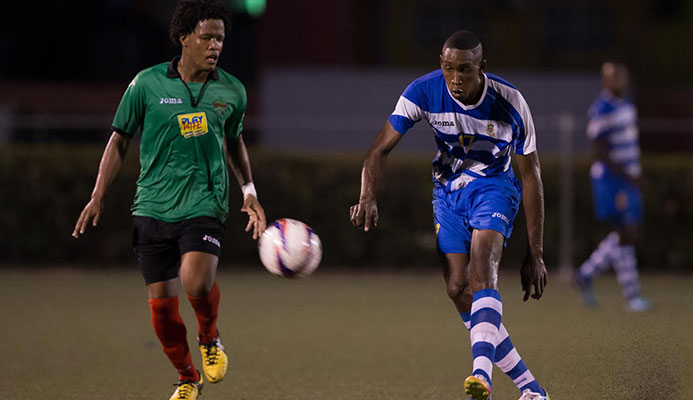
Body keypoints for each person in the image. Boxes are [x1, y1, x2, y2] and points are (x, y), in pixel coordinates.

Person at [72, 1, 266, 399]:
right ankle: (186, 376)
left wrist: (248, 193)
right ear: (184, 38)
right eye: (207, 37)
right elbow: (119, 139)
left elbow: (235, 142)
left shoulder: (232, 90)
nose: (215, 46)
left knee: (196, 282)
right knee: (161, 305)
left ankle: (210, 338)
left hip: (205, 203)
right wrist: (97, 196)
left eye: (221, 39)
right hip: (152, 206)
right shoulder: (146, 84)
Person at [350, 30, 549, 400]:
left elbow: (530, 176)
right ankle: (531, 390)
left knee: (482, 268)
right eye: (448, 69)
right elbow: (378, 150)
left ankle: (481, 375)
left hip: (495, 188)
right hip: (447, 193)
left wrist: (535, 253)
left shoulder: (511, 103)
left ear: (482, 68)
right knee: (458, 288)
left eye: (464, 70)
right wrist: (368, 195)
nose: (455, 79)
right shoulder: (423, 91)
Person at [575, 61, 650, 312]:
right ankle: (632, 295)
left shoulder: (626, 104)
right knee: (627, 232)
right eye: (613, 77)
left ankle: (586, 274)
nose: (619, 81)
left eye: (621, 76)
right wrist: (630, 176)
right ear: (605, 80)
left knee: (626, 234)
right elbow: (599, 151)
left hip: (627, 178)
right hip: (612, 180)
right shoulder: (601, 108)